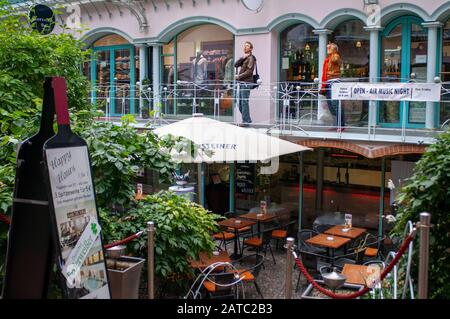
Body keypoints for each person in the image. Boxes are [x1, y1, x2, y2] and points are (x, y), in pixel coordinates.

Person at [320, 42, 345, 131]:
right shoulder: (328, 59)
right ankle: (336, 123)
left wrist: (333, 48)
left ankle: (341, 125)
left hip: (334, 82)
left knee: (335, 104)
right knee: (330, 105)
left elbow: (335, 60)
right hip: (328, 82)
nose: (328, 48)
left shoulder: (335, 56)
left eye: (330, 48)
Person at [234, 41, 256, 126]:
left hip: (247, 83)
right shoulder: (245, 58)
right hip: (243, 83)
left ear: (251, 48)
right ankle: (247, 119)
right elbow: (235, 64)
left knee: (244, 102)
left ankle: (246, 121)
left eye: (247, 46)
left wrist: (238, 77)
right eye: (244, 46)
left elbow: (249, 72)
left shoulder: (251, 58)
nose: (245, 47)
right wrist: (242, 58)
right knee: (240, 102)